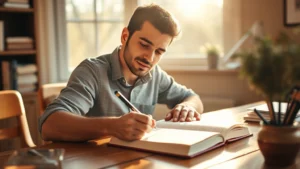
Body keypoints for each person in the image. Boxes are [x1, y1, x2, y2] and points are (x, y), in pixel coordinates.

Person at [39, 4, 203, 142]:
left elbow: (193, 98)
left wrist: (186, 106)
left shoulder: (156, 75)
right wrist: (112, 127)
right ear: (125, 36)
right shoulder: (92, 71)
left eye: (159, 51)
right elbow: (49, 125)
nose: (150, 58)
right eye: (144, 45)